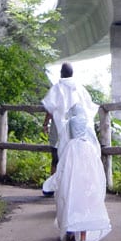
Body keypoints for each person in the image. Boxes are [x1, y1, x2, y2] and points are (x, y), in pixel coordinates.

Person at [54, 103, 111, 241]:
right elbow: (95, 142)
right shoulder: (87, 123)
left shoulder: (69, 123)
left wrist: (62, 159)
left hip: (72, 154)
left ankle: (70, 228)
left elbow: (63, 142)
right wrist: (95, 159)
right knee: (86, 195)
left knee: (69, 190)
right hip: (87, 154)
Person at [41, 62, 97, 196]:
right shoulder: (80, 89)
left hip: (59, 126)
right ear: (72, 74)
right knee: (76, 157)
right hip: (78, 128)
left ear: (61, 73)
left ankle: (54, 187)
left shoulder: (57, 88)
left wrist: (45, 123)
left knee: (56, 155)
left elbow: (50, 108)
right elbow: (88, 108)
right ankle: (77, 187)